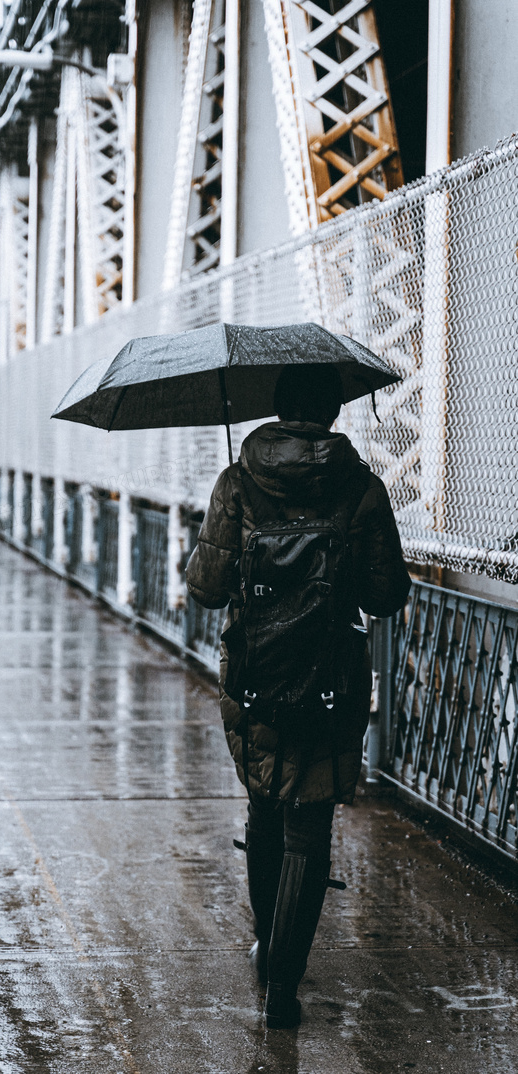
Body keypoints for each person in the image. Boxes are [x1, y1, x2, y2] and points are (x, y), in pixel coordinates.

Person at [186, 364, 410, 1029]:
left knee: (264, 808)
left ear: (279, 411)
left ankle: (265, 942)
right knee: (310, 826)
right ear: (332, 415)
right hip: (331, 683)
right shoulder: (362, 488)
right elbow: (386, 595)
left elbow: (204, 586)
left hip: (255, 675)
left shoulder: (238, 481)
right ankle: (284, 983)